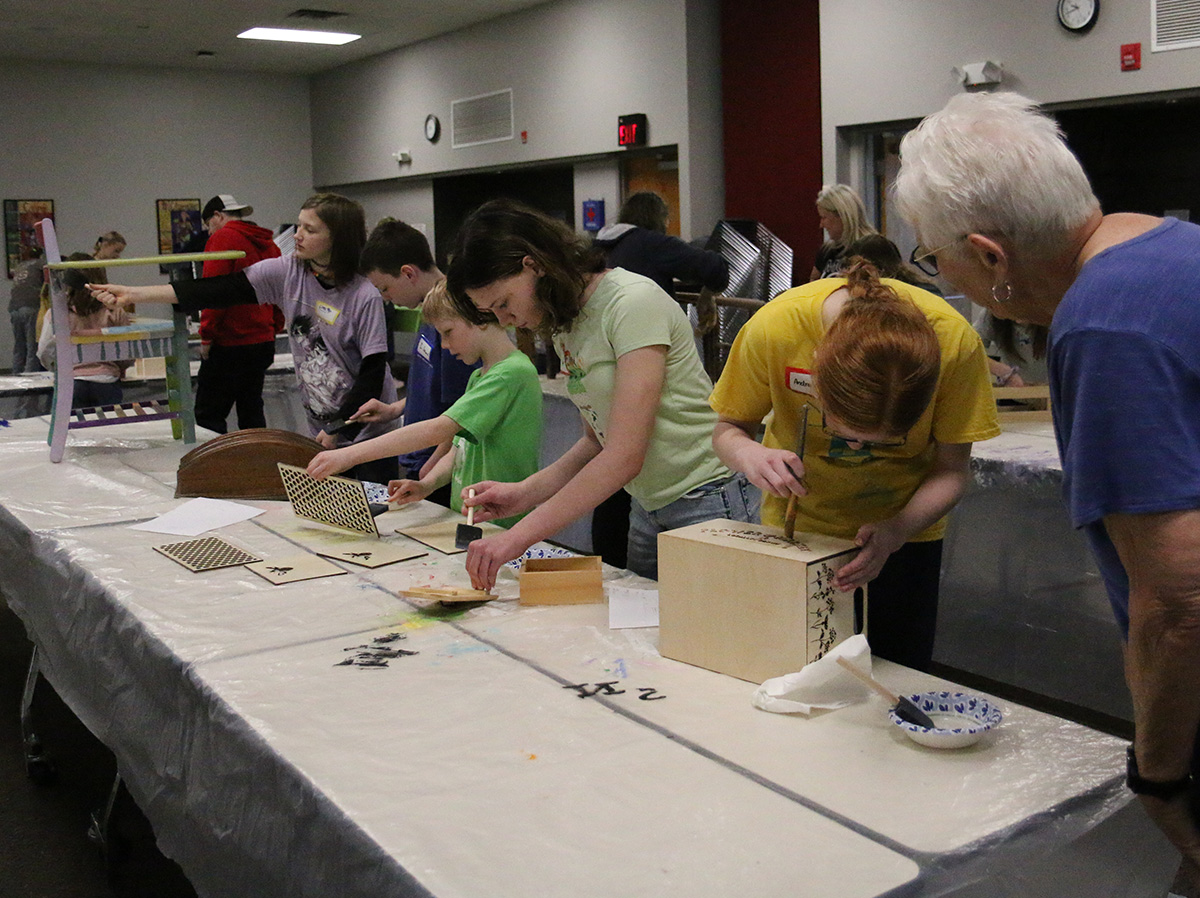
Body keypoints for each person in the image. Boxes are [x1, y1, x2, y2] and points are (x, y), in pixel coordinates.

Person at [893, 90, 1200, 895]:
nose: (941, 277)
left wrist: (1160, 774)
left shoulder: (1104, 322)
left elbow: (1180, 602)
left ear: (991, 258)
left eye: (935, 258)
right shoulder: (1175, 248)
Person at [445, 199, 757, 589]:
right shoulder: (565, 323)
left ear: (533, 265)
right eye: (493, 313)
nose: (505, 320)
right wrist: (525, 493)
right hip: (648, 507)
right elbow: (596, 441)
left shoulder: (630, 302)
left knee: (713, 641)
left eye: (504, 303)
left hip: (707, 501)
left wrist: (517, 537)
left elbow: (625, 455)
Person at [710, 259, 999, 671]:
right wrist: (749, 454)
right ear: (818, 376)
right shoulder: (778, 328)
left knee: (897, 677)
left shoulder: (953, 343)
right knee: (790, 672)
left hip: (905, 534)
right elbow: (727, 430)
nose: (856, 446)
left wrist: (897, 530)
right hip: (797, 532)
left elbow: (951, 470)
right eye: (845, 430)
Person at [89, 193, 400, 483]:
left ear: (338, 238)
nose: (297, 235)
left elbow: (372, 374)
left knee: (379, 517)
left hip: (368, 433)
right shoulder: (288, 271)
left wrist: (339, 429)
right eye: (299, 226)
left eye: (310, 229)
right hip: (324, 430)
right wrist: (134, 294)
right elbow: (219, 289)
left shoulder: (364, 294)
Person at [306, 281, 542, 528]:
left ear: (481, 318)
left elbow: (437, 430)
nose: (445, 345)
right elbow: (459, 449)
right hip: (472, 518)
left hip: (499, 523)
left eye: (448, 332)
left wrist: (349, 455)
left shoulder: (510, 374)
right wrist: (426, 485)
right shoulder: (479, 376)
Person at [590, 191, 731, 568]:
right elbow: (716, 268)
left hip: (661, 485)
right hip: (648, 489)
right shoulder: (650, 245)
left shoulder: (600, 248)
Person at [350, 219, 479, 507]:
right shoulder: (429, 313)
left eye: (385, 288)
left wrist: (432, 467)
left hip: (438, 465)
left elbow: (463, 410)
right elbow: (431, 386)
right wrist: (394, 409)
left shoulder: (453, 323)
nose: (386, 298)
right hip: (420, 460)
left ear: (408, 273)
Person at [193, 193, 283, 434]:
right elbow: (280, 289)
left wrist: (206, 335)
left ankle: (212, 470)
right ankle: (256, 467)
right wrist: (274, 327)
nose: (209, 232)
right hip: (262, 341)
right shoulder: (268, 242)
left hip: (230, 342)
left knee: (208, 415)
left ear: (217, 216)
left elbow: (214, 291)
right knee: (251, 410)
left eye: (208, 225)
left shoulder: (224, 238)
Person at [593, 191, 729, 298]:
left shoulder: (598, 246)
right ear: (660, 219)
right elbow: (715, 268)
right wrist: (708, 293)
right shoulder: (652, 244)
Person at [37, 254, 131, 407]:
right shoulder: (115, 311)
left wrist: (55, 368)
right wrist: (119, 368)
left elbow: (44, 350)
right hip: (106, 381)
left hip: (71, 381)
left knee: (72, 429)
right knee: (109, 427)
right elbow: (127, 350)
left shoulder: (57, 313)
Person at [810, 184, 877, 281]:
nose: (821, 225)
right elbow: (812, 284)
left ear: (842, 217)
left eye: (824, 217)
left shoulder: (873, 248)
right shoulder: (827, 251)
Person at [9, 248, 44, 373]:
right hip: (31, 306)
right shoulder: (40, 264)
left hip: (14, 307)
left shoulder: (19, 267)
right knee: (32, 346)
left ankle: (15, 374)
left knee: (19, 345)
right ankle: (30, 378)